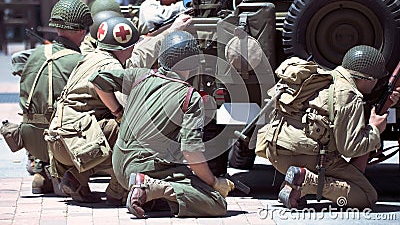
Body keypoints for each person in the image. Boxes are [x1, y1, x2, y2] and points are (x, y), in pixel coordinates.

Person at [45, 13, 193, 204]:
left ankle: (77, 178)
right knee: (137, 133)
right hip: (76, 142)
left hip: (60, 141)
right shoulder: (111, 65)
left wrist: (171, 30)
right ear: (123, 47)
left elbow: (136, 59)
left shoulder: (92, 57)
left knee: (117, 130)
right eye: (132, 46)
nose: (133, 49)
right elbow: (127, 106)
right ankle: (118, 191)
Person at [90, 30, 234, 218]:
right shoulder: (190, 97)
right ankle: (149, 187)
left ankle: (146, 192)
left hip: (119, 167)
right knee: (216, 203)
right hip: (145, 169)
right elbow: (191, 152)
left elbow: (99, 80)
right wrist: (214, 182)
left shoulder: (140, 76)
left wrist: (118, 113)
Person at [255, 45, 400, 209]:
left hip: (277, 152)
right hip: (307, 156)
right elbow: (350, 149)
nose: (376, 83)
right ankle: (306, 182)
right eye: (375, 79)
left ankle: (296, 184)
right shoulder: (349, 96)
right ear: (366, 79)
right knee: (367, 196)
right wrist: (375, 129)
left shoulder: (327, 79)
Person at [0, 0, 93, 195]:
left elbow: (18, 63)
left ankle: (41, 173)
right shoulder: (80, 61)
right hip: (60, 142)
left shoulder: (34, 54)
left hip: (30, 139)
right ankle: (74, 176)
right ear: (82, 30)